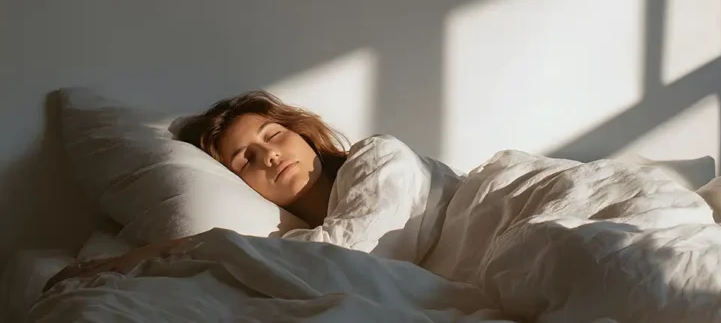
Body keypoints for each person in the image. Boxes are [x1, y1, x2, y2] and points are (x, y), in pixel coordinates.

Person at [45, 90, 461, 291]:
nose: (269, 156)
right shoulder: (290, 244)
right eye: (245, 159)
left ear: (303, 134)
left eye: (274, 135)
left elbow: (351, 262)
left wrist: (175, 248)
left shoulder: (379, 157)